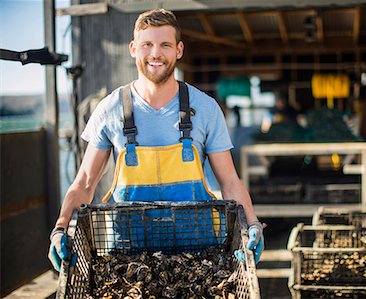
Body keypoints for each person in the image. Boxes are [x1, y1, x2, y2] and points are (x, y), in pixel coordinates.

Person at [48, 9, 263, 271]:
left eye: (165, 45)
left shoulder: (205, 108)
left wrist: (251, 223)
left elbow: (229, 181)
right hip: (127, 260)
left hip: (199, 256)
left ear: (179, 50)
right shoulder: (110, 109)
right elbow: (84, 183)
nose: (155, 53)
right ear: (133, 48)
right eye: (147, 44)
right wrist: (60, 228)